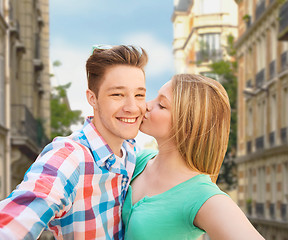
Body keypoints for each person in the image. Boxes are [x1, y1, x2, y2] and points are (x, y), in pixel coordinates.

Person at [0, 45, 148, 240]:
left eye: (139, 95)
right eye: (117, 94)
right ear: (92, 99)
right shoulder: (69, 156)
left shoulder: (130, 152)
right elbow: (19, 217)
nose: (132, 107)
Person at [122, 74, 265, 240]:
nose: (146, 106)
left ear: (188, 126)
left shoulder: (202, 196)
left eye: (161, 105)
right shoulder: (139, 160)